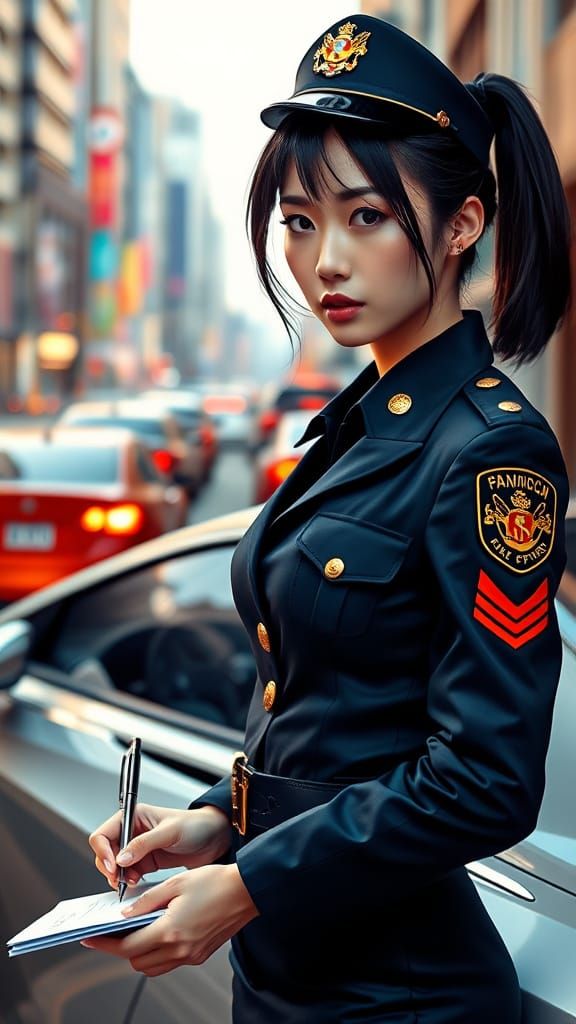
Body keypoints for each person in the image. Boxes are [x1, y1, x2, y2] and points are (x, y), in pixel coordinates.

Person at [87, 14, 571, 1023]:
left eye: (365, 217)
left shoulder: (489, 452)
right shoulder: (351, 428)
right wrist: (218, 820)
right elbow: (331, 711)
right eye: (301, 222)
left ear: (461, 222)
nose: (324, 263)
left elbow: (485, 778)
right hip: (290, 976)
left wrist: (259, 879)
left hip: (401, 996)